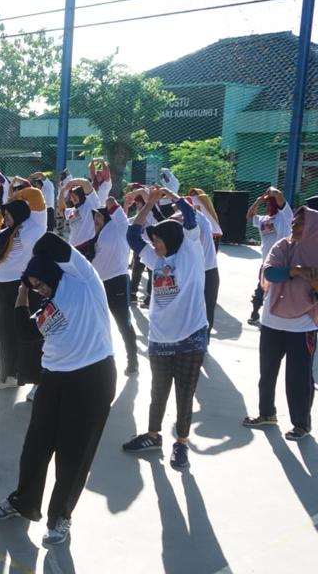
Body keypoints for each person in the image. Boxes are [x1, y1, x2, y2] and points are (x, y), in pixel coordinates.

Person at [0, 232, 116, 546]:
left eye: (41, 282)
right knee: (35, 448)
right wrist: (22, 292)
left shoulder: (83, 280)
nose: (40, 289)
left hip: (91, 377)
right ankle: (24, 502)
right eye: (35, 286)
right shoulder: (48, 304)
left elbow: (51, 241)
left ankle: (61, 517)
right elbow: (26, 332)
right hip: (55, 378)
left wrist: (31, 248)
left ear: (51, 271)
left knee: (73, 454)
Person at [122, 187, 207, 469]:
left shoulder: (191, 252)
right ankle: (153, 435)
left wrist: (174, 197)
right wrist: (148, 205)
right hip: (159, 338)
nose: (154, 244)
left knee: (185, 392)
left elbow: (191, 218)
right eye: (154, 240)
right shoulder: (155, 259)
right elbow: (132, 236)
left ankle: (181, 444)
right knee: (158, 391)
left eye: (158, 240)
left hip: (190, 336)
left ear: (171, 239)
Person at [243, 206, 318, 441]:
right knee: (267, 372)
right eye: (294, 222)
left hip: (302, 324)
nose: (294, 227)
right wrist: (297, 271)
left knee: (299, 377)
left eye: (299, 224)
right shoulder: (283, 246)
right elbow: (270, 274)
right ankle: (266, 413)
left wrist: (313, 283)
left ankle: (301, 424)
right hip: (272, 320)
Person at [0, 189, 47, 394]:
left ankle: (37, 381)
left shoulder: (34, 227)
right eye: (5, 217)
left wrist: (15, 198)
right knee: (5, 333)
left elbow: (36, 196)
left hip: (23, 287)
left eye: (9, 216)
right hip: (2, 285)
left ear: (20, 213)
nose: (6, 220)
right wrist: (2, 211)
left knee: (29, 333)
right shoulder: (4, 235)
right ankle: (9, 376)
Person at [89, 194, 139, 375]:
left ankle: (132, 360)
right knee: (96, 324)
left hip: (117, 281)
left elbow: (110, 199)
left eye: (99, 216)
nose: (95, 220)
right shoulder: (97, 234)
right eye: (94, 218)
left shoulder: (119, 226)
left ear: (108, 216)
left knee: (123, 322)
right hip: (98, 284)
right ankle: (97, 361)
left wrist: (109, 203)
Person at [247, 188, 291, 326]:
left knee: (284, 289)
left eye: (270, 204)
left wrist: (271, 191)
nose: (268, 206)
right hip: (266, 260)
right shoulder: (263, 219)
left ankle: (284, 316)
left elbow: (279, 196)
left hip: (282, 261)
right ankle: (255, 313)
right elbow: (249, 217)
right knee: (261, 287)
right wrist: (258, 201)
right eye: (266, 204)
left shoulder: (285, 216)